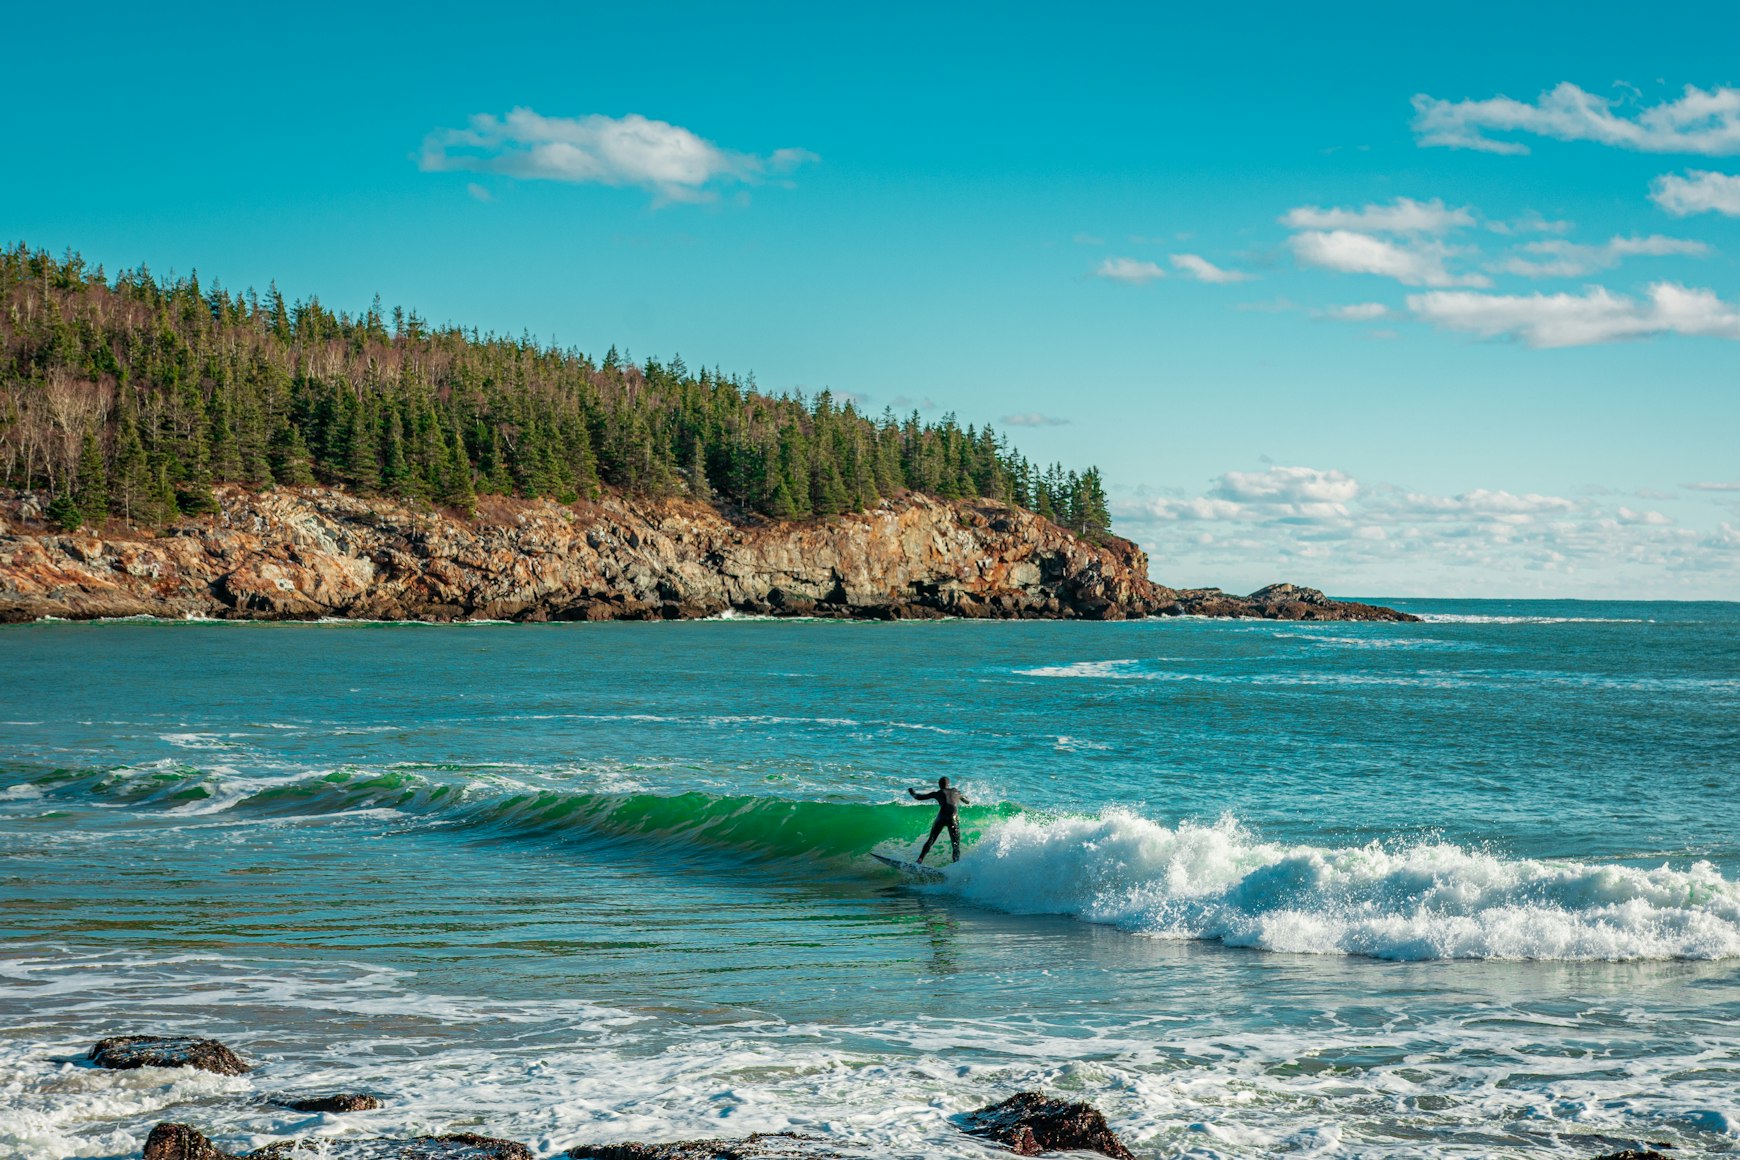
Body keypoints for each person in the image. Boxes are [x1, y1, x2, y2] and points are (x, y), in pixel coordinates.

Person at [908, 776, 969, 864]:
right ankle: (956, 864)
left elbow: (918, 797)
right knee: (955, 845)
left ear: (939, 785)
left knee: (931, 839)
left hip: (941, 817)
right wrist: (961, 796)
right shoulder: (956, 792)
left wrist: (912, 792)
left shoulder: (938, 793)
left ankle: (919, 860)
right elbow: (967, 801)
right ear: (948, 784)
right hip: (953, 818)